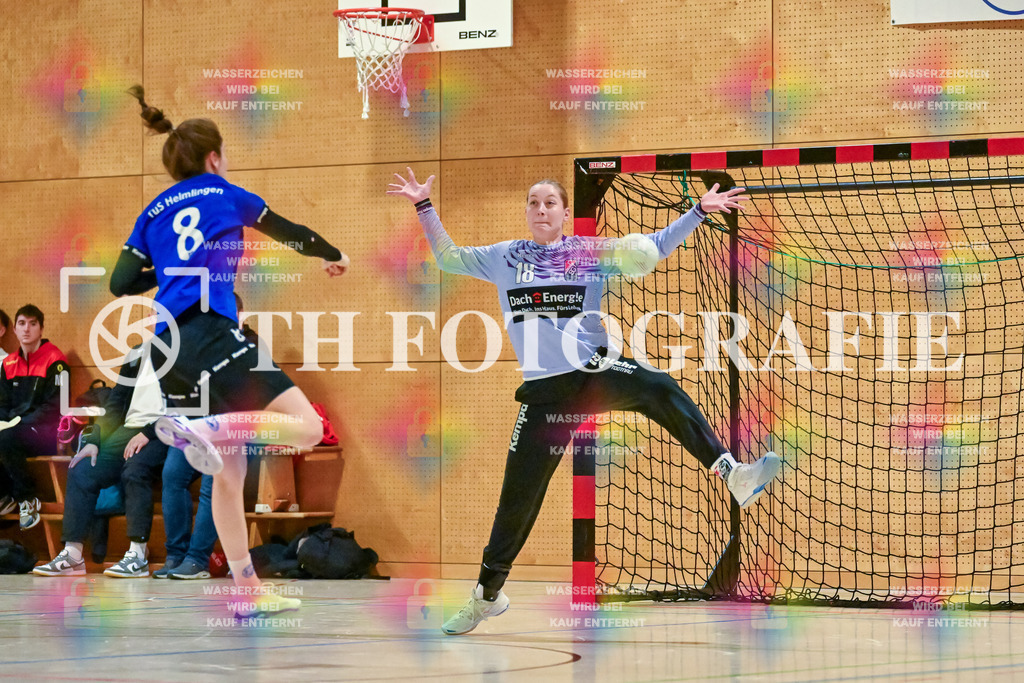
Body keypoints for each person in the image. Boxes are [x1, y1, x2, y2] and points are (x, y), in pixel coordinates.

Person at [388, 169, 782, 635]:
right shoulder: (504, 257)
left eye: (549, 202)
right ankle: (485, 597)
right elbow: (449, 258)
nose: (540, 210)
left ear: (563, 211)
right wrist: (423, 206)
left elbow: (653, 247)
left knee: (659, 388)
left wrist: (697, 212)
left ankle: (731, 473)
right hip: (545, 393)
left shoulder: (588, 253)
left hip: (592, 371)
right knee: (517, 501)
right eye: (533, 203)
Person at [111, 85, 348, 616]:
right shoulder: (226, 193)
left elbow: (121, 282)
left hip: (167, 347)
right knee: (307, 428)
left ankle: (246, 593)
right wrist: (336, 254)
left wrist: (167, 267)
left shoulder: (152, 212)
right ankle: (206, 430)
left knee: (230, 470)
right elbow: (293, 234)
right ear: (214, 157)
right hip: (213, 332)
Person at [32, 343, 171, 577]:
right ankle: (73, 555)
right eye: (155, 314)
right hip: (129, 429)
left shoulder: (186, 349)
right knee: (82, 468)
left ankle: (138, 555)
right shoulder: (138, 352)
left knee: (134, 469)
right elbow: (116, 401)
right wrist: (95, 440)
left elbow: (187, 406)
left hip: (165, 431)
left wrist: (148, 433)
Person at [155, 294, 260, 580]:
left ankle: (197, 559)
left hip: (231, 430)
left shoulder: (252, 344)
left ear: (239, 314)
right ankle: (176, 554)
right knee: (172, 474)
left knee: (211, 484)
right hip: (196, 423)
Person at [0, 305, 69, 529]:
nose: (27, 329)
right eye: (22, 323)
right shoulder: (8, 363)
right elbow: (3, 404)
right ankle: (6, 496)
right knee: (5, 436)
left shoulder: (56, 361)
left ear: (41, 329)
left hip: (46, 432)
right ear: (15, 329)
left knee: (7, 438)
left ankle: (27, 498)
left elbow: (56, 406)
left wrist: (19, 422)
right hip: (14, 429)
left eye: (32, 324)